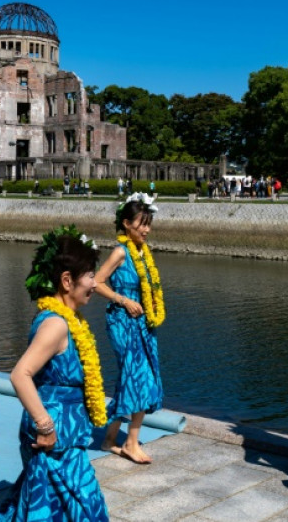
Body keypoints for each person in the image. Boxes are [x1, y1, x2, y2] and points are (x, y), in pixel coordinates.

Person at [0, 226, 109, 521]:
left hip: (67, 432)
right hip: (53, 433)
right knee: (78, 507)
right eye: (90, 275)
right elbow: (20, 375)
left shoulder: (69, 319)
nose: (95, 283)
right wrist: (45, 426)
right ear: (67, 280)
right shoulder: (56, 324)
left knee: (60, 506)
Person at [95, 192, 165, 464]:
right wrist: (122, 300)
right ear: (126, 224)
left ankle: (110, 439)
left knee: (134, 378)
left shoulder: (143, 252)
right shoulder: (120, 252)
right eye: (141, 224)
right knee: (138, 377)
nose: (146, 230)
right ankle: (131, 443)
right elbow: (96, 282)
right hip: (122, 322)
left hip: (143, 323)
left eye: (149, 224)